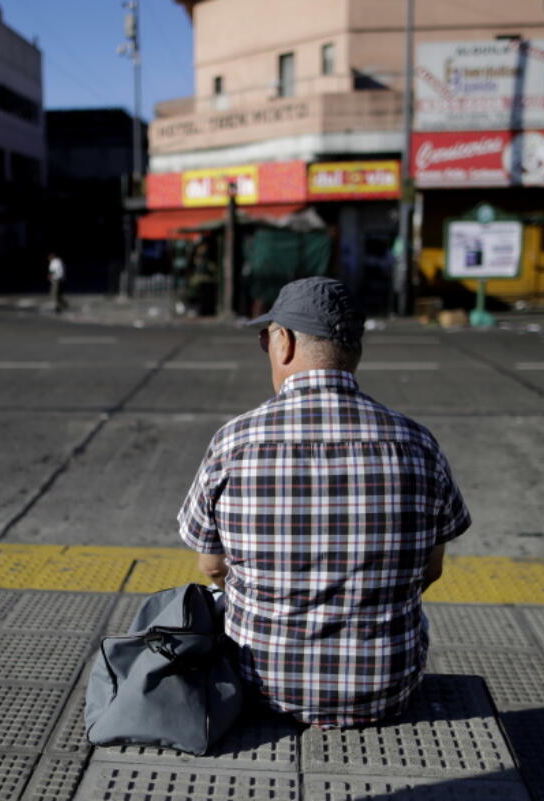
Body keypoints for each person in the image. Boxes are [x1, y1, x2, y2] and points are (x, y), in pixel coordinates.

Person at [177, 276, 470, 728]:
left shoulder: (235, 441)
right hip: (387, 687)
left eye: (265, 338)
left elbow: (210, 566)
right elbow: (431, 570)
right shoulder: (417, 443)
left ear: (285, 343)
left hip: (261, 685)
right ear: (354, 350)